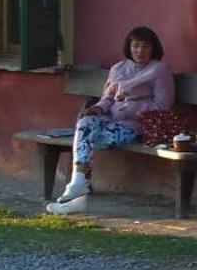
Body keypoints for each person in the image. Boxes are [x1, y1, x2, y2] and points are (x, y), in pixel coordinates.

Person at [46, 26, 173, 214]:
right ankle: (79, 183)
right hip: (109, 120)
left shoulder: (159, 70)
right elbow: (107, 98)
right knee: (85, 124)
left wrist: (131, 108)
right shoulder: (118, 69)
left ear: (153, 48)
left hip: (136, 126)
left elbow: (163, 106)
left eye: (146, 46)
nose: (140, 51)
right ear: (129, 47)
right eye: (136, 46)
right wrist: (97, 108)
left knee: (84, 136)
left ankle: (79, 191)